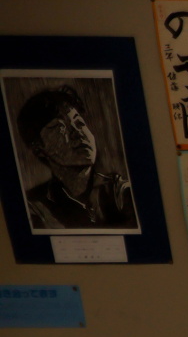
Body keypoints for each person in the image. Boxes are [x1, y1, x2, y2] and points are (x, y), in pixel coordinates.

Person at [15, 86, 135, 231]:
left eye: (79, 123)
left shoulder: (118, 191)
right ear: (38, 148)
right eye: (60, 128)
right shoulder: (35, 206)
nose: (77, 132)